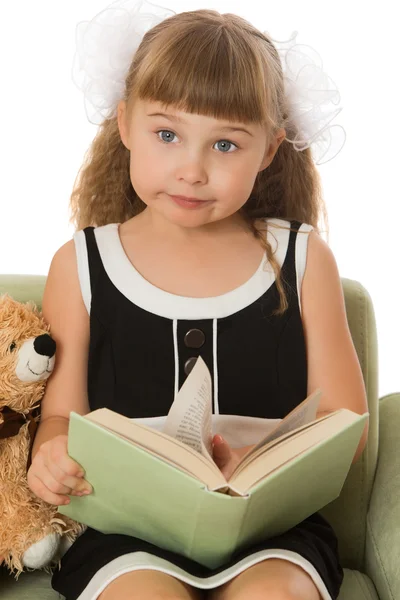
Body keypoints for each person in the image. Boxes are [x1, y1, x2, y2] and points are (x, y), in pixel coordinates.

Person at [27, 1, 369, 599]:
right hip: (124, 531)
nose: (192, 169)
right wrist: (52, 453)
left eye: (226, 145)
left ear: (269, 150)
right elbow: (61, 416)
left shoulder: (304, 260)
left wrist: (258, 460)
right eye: (167, 134)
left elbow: (347, 425)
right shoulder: (80, 264)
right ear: (125, 124)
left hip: (274, 530)